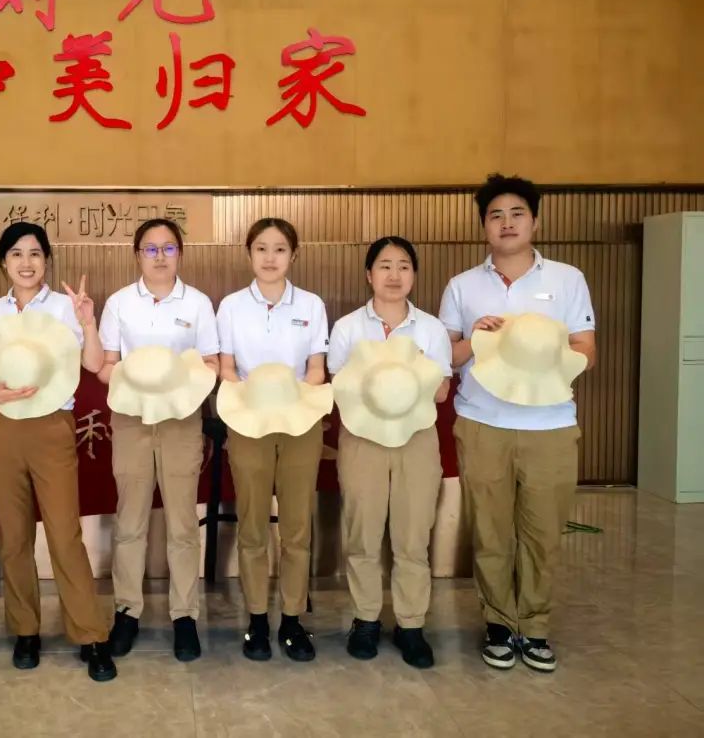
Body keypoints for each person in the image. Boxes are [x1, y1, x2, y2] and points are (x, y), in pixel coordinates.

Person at [439, 174, 597, 673]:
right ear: (483, 226)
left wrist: (540, 350)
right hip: (481, 421)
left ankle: (536, 625)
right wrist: (476, 338)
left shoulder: (567, 279)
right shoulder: (463, 285)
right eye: (496, 215)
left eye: (517, 214)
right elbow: (447, 356)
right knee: (490, 531)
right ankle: (499, 624)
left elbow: (586, 350)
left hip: (550, 425)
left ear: (535, 222)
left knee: (542, 531)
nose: (506, 223)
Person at [0, 222, 116, 682]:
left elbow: (93, 364)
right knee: (14, 535)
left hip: (53, 426)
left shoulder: (63, 307)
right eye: (16, 253)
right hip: (2, 428)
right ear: (3, 262)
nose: (26, 262)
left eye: (35, 253)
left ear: (47, 261)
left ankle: (90, 634)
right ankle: (25, 630)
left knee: (64, 533)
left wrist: (87, 321)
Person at [96, 218, 220, 662]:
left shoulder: (199, 303)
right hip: (131, 418)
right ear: (137, 256)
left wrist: (174, 383)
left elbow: (212, 364)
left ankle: (184, 616)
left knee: (183, 523)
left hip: (181, 418)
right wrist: (140, 380)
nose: (160, 256)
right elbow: (106, 366)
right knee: (130, 521)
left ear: (180, 254)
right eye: (151, 249)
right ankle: (126, 612)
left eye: (168, 248)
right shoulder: (119, 303)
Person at [327, 236, 451, 669]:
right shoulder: (347, 328)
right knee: (362, 531)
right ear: (369, 275)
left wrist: (402, 375)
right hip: (362, 437)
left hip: (417, 437)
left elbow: (441, 390)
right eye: (384, 266)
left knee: (412, 534)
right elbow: (339, 387)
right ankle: (365, 619)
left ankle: (411, 624)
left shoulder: (430, 328)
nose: (394, 275)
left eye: (403, 266)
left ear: (414, 275)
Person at [215, 217, 329, 662]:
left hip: (301, 423)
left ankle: (294, 620)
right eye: (261, 248)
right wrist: (254, 399)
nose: (270, 257)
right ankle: (258, 620)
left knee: (297, 527)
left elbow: (316, 369)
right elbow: (226, 368)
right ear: (249, 254)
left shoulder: (312, 304)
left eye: (280, 249)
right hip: (248, 423)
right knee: (253, 526)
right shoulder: (231, 306)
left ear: (293, 255)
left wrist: (290, 401)